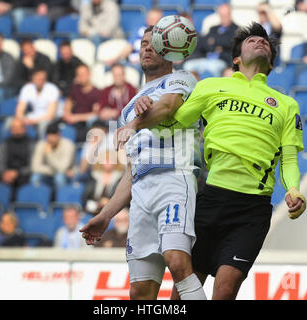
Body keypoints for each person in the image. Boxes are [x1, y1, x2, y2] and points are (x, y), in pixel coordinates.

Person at [118, 22, 307, 300]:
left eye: (265, 41)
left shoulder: (287, 105)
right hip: (210, 198)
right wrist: (142, 115)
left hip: (252, 208)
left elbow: (288, 158)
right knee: (183, 291)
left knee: (226, 288)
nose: (260, 41)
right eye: (252, 39)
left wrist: (293, 189)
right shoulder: (210, 87)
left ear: (271, 63)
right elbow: (173, 122)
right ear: (236, 58)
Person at [81, 26, 207, 300]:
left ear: (170, 49)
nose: (147, 48)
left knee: (177, 261)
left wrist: (136, 123)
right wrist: (105, 215)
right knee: (140, 290)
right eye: (143, 44)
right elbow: (130, 172)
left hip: (175, 179)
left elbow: (168, 107)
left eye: (154, 43)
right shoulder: (128, 108)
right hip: (140, 195)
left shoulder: (181, 79)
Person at [183, 3, 239, 77]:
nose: (224, 17)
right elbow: (204, 43)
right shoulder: (213, 29)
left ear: (230, 14)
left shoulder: (236, 30)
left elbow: (230, 44)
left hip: (222, 60)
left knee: (214, 68)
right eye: (222, 15)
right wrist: (219, 46)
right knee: (188, 66)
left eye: (226, 15)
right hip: (206, 58)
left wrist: (214, 42)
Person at [15, 67, 60, 139]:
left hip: (48, 119)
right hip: (33, 116)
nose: (40, 81)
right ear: (32, 78)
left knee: (43, 124)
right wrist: (23, 119)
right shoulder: (27, 88)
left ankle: (40, 145)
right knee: (12, 122)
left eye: (43, 79)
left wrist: (34, 121)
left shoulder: (52, 89)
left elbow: (50, 115)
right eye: (38, 79)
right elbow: (19, 110)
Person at [30, 121, 75, 189]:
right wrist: (54, 170)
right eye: (49, 136)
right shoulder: (41, 145)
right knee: (35, 178)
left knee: (59, 178)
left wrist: (49, 154)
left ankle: (60, 198)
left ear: (59, 135)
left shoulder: (68, 145)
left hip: (65, 176)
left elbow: (63, 168)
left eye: (54, 136)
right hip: (48, 174)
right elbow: (35, 167)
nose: (51, 139)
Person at [62, 64, 101, 142]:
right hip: (73, 121)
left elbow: (95, 114)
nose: (82, 77)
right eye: (79, 75)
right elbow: (68, 103)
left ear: (89, 74)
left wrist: (76, 117)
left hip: (85, 123)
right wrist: (67, 114)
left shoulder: (96, 93)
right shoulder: (75, 88)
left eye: (84, 74)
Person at [82, 150, 124, 215]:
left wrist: (108, 202)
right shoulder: (93, 177)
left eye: (111, 160)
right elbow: (86, 197)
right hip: (94, 208)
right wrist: (98, 203)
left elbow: (122, 197)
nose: (108, 162)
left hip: (114, 209)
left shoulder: (121, 178)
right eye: (106, 160)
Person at [0, 117, 35, 189]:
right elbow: (0, 163)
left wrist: (17, 173)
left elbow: (32, 165)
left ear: (24, 129)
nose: (15, 130)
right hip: (6, 177)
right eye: (13, 128)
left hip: (24, 176)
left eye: (18, 127)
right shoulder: (5, 144)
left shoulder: (31, 144)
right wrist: (5, 173)